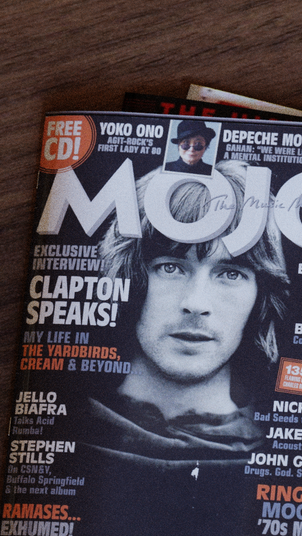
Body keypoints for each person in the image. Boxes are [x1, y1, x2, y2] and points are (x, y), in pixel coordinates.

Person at [76, 160, 289, 536]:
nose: (196, 303)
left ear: (260, 298)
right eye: (170, 267)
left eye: (230, 273)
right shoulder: (64, 434)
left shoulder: (280, 463)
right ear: (130, 276)